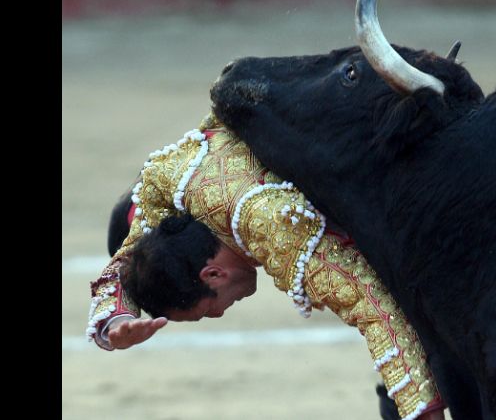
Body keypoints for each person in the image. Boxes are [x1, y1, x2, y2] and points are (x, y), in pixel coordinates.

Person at [88, 112, 445, 420]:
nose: (217, 317)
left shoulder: (276, 232)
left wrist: (421, 412)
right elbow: (129, 252)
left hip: (423, 186)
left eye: (206, 312)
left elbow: (380, 313)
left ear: (212, 275)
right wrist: (118, 317)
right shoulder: (170, 174)